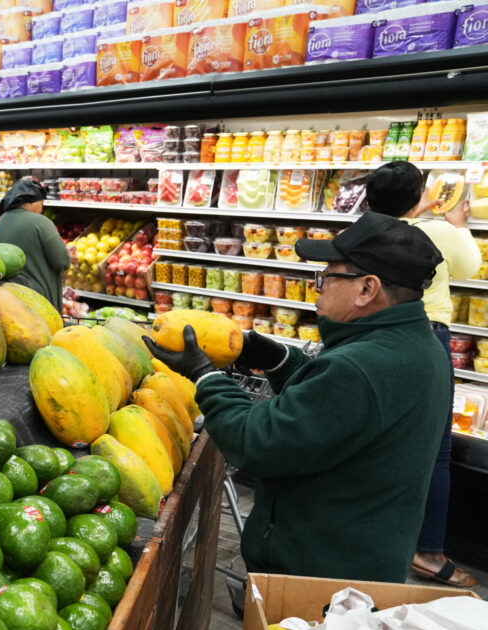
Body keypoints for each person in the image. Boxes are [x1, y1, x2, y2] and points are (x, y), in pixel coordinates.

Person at [147, 213, 450, 583]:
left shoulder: (361, 367)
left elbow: (256, 441)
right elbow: (338, 414)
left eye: (327, 277)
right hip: (364, 559)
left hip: (318, 574)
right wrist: (279, 360)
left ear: (367, 289)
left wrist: (205, 376)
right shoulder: (419, 346)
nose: (316, 287)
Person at [365, 161, 480, 588]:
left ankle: (378, 536)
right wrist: (457, 224)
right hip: (425, 335)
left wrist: (420, 209)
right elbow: (469, 266)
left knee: (379, 439)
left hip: (374, 337)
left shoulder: (365, 230)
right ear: (420, 197)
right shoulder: (436, 231)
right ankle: (429, 552)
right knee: (436, 450)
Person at [0, 178, 71, 311]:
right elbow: (62, 261)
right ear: (28, 202)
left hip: (5, 305)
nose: (42, 208)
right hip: (39, 304)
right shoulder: (40, 222)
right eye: (41, 203)